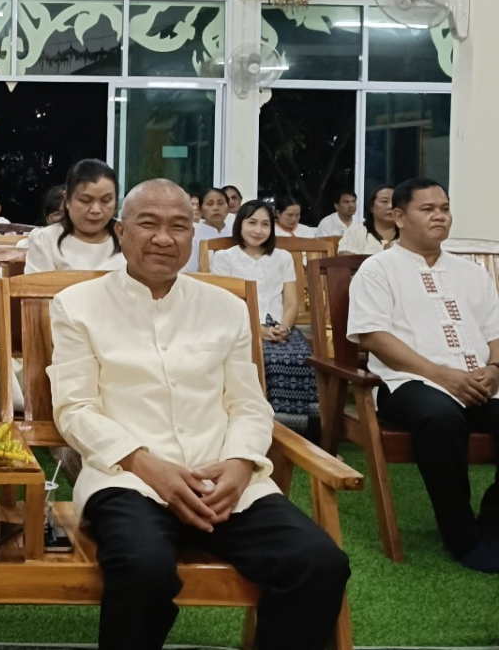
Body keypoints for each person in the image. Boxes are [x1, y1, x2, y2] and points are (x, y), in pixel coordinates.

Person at [48, 179, 350, 649]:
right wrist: (147, 465)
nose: (164, 238)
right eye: (148, 224)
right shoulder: (77, 306)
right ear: (121, 231)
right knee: (144, 568)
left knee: (318, 563)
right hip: (129, 479)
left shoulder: (225, 308)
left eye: (178, 227)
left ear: (194, 238)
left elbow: (249, 404)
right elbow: (75, 408)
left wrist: (240, 463)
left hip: (225, 480)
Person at [347, 178, 499, 572]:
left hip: (481, 380)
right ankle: (462, 536)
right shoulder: (378, 270)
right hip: (408, 381)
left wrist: (495, 369)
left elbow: (495, 333)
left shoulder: (471, 273)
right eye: (428, 209)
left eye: (444, 208)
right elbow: (374, 337)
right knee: (440, 418)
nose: (440, 216)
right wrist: (441, 375)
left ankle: (495, 524)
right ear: (399, 216)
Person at [212, 200, 315, 431]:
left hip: (281, 326)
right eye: (252, 223)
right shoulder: (224, 258)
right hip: (243, 327)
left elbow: (291, 302)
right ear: (240, 224)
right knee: (267, 358)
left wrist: (285, 328)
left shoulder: (283, 257)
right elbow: (225, 304)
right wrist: (258, 330)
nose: (258, 230)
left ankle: (300, 429)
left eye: (265, 224)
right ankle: (265, 425)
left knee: (302, 357)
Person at [26, 160, 123, 273]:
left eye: (106, 200)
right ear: (67, 199)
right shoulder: (45, 240)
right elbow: (35, 288)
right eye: (85, 200)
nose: (96, 210)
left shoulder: (129, 236)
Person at [184, 187, 233, 273]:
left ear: (228, 207)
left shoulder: (236, 232)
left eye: (221, 203)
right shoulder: (193, 234)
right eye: (210, 204)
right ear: (200, 209)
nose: (216, 208)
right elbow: (189, 272)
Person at [339, 184, 397, 256]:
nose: (390, 206)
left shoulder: (408, 234)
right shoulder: (357, 232)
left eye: (394, 202)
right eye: (384, 201)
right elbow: (346, 260)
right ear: (371, 207)